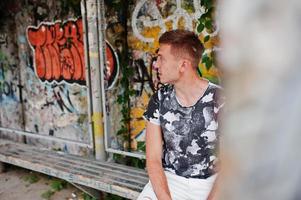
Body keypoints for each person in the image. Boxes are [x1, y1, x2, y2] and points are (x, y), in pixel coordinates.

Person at [137, 29, 224, 200]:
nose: (156, 64)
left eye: (161, 57)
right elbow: (153, 158)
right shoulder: (160, 99)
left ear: (183, 65)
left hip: (211, 183)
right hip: (170, 180)